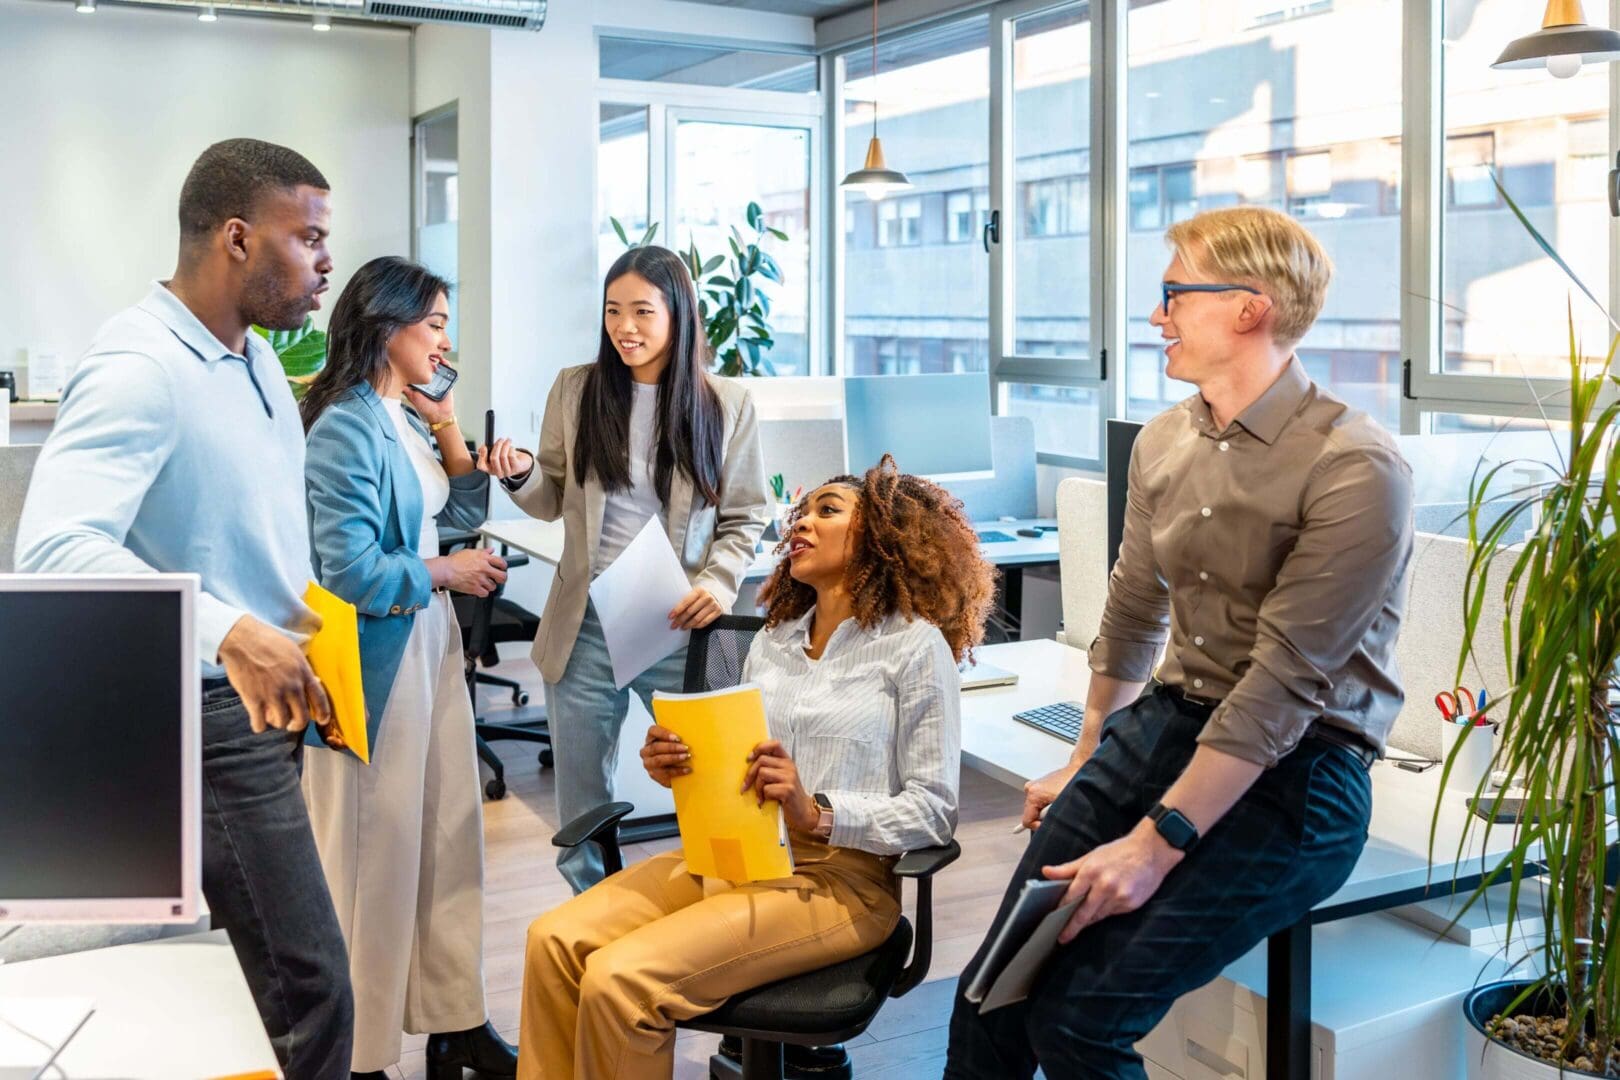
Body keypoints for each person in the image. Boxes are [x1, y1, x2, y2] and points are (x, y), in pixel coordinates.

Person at [943, 206, 1414, 1080]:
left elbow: (1279, 687)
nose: (1157, 317)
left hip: (1301, 774)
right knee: (991, 992)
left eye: (1173, 296)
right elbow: (1132, 610)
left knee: (1081, 1020)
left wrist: (1155, 843)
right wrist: (1088, 756)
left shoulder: (1355, 465)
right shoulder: (1166, 438)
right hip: (1166, 725)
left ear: (1249, 307)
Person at [15, 138, 355, 1078]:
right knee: (312, 988)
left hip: (268, 711)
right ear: (239, 238)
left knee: (257, 986)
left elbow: (251, 538)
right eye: (310, 238)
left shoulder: (255, 367)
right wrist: (233, 629)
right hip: (208, 719)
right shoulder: (141, 365)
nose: (327, 261)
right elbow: (50, 550)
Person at [515, 456, 997, 1079]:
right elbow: (740, 770)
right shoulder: (773, 640)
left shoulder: (913, 646)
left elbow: (933, 813)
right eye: (801, 511)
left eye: (828, 510)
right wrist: (678, 766)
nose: (802, 521)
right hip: (735, 858)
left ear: (881, 535)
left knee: (619, 981)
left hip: (839, 882)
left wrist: (815, 812)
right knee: (552, 942)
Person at [299, 256, 526, 1080]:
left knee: (446, 832)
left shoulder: (403, 416)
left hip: (427, 644)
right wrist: (449, 574)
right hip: (374, 659)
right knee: (374, 856)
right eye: (432, 324)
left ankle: (454, 1021)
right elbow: (349, 568)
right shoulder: (344, 427)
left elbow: (455, 512)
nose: (445, 339)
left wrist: (450, 428)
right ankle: (356, 1057)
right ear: (385, 326)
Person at [500, 244, 770, 893]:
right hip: (587, 624)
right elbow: (550, 496)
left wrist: (717, 580)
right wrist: (520, 474)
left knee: (715, 785)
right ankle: (591, 920)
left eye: (643, 311)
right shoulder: (577, 387)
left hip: (681, 622)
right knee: (584, 807)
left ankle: (727, 915)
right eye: (614, 311)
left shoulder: (726, 402)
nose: (626, 326)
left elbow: (745, 515)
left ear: (677, 314)